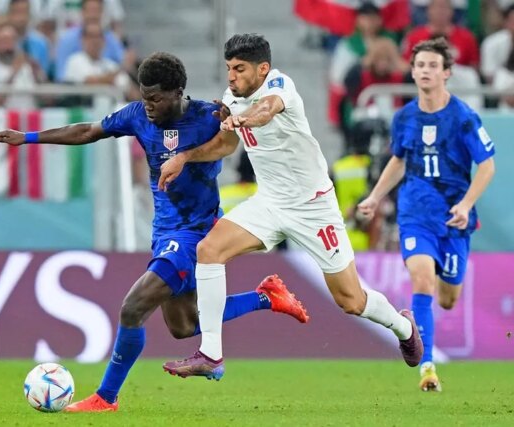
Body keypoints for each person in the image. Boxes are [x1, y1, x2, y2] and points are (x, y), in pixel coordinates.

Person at [0, 52, 309, 412]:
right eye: (144, 97)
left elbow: (232, 142)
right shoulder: (137, 115)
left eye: (155, 98)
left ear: (178, 93)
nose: (149, 105)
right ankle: (266, 297)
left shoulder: (208, 117)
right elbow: (88, 131)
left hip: (196, 232)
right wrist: (28, 137)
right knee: (184, 325)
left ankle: (105, 397)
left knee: (133, 307)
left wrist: (226, 125)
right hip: (164, 232)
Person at [158, 33, 423, 380]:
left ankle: (403, 327)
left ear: (262, 69)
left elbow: (266, 110)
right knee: (209, 250)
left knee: (351, 300)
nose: (231, 76)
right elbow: (225, 145)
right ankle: (211, 355)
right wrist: (184, 157)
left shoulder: (280, 86)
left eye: (239, 69)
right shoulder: (232, 97)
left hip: (313, 208)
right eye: (228, 68)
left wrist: (243, 118)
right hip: (269, 203)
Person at [358, 38, 496, 392]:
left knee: (448, 299)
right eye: (420, 65)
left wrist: (466, 204)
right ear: (413, 71)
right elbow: (399, 160)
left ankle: (430, 344)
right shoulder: (404, 117)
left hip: (453, 217)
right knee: (422, 280)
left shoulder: (463, 117)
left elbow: (487, 166)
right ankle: (427, 367)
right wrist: (375, 197)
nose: (425, 71)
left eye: (433, 65)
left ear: (446, 72)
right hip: (415, 213)